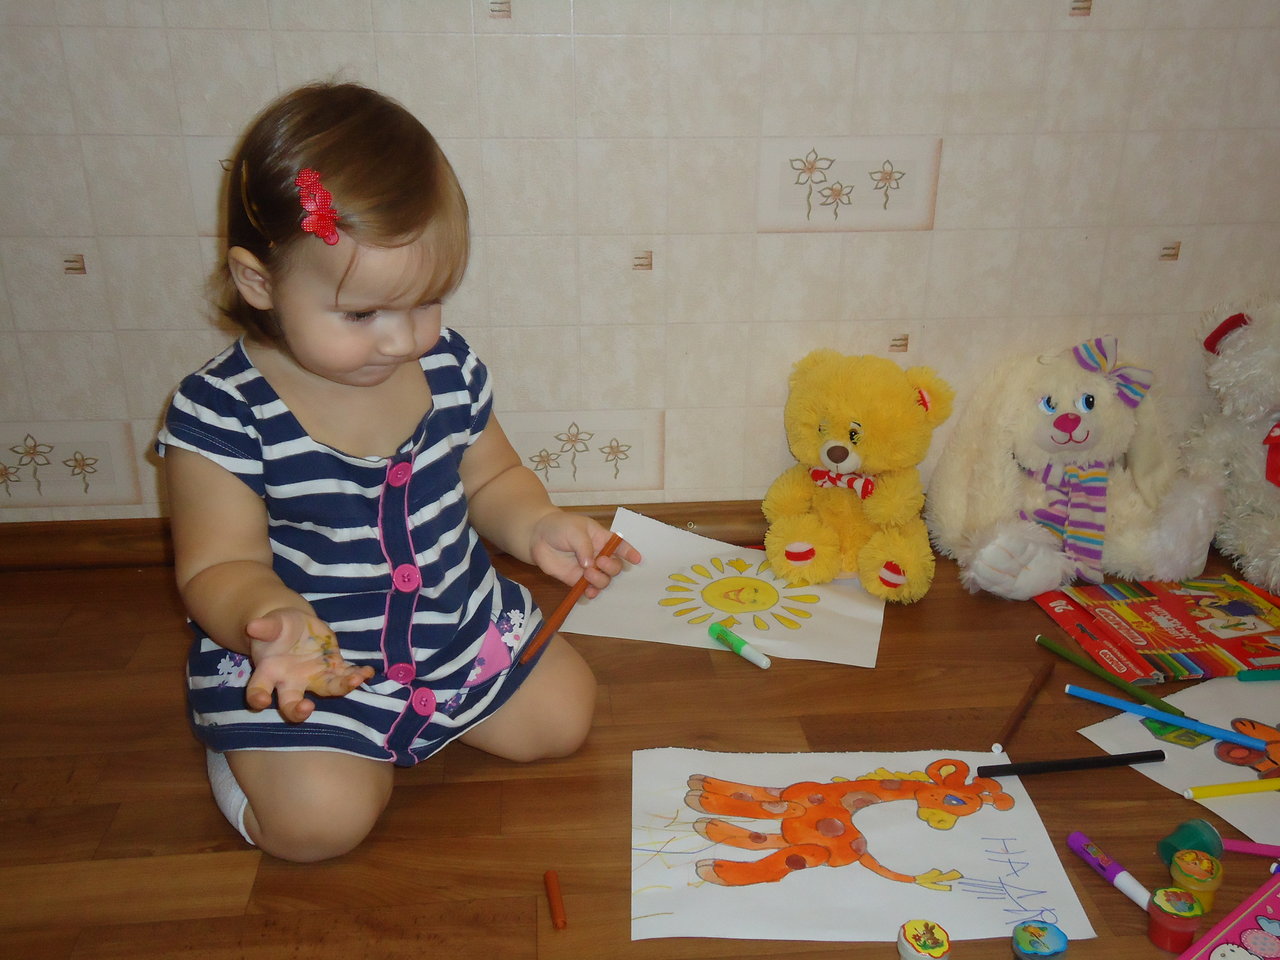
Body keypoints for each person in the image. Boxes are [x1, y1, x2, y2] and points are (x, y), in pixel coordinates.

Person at [157, 82, 639, 863]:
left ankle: (410, 722)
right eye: (361, 314)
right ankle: (241, 755)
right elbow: (217, 565)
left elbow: (493, 478)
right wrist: (269, 619)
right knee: (320, 826)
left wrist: (538, 523)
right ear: (259, 282)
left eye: (426, 302)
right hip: (309, 665)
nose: (401, 340)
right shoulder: (222, 412)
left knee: (564, 719)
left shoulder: (446, 368)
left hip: (455, 632)